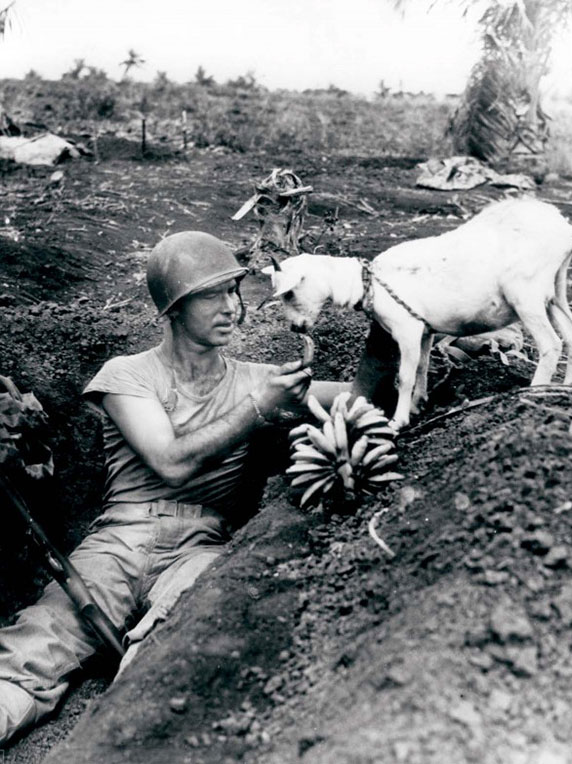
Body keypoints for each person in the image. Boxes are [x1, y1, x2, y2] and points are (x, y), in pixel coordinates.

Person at [0, 230, 350, 746]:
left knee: (179, 650)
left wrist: (399, 329)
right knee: (32, 651)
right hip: (119, 543)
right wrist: (258, 407)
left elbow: (365, 397)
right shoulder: (127, 375)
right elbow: (170, 461)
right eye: (212, 294)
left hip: (202, 548)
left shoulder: (261, 379)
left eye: (234, 291)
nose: (231, 306)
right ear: (173, 308)